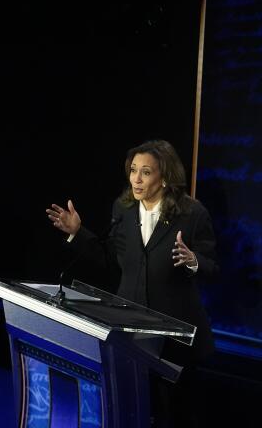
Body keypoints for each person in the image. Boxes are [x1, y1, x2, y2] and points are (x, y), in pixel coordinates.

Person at [46, 139, 218, 427]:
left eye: (146, 172)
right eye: (133, 170)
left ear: (165, 177)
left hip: (176, 337)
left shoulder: (192, 214)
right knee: (135, 411)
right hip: (131, 332)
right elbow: (110, 260)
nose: (136, 179)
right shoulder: (123, 209)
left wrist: (193, 261)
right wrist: (78, 233)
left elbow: (213, 269)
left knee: (175, 414)